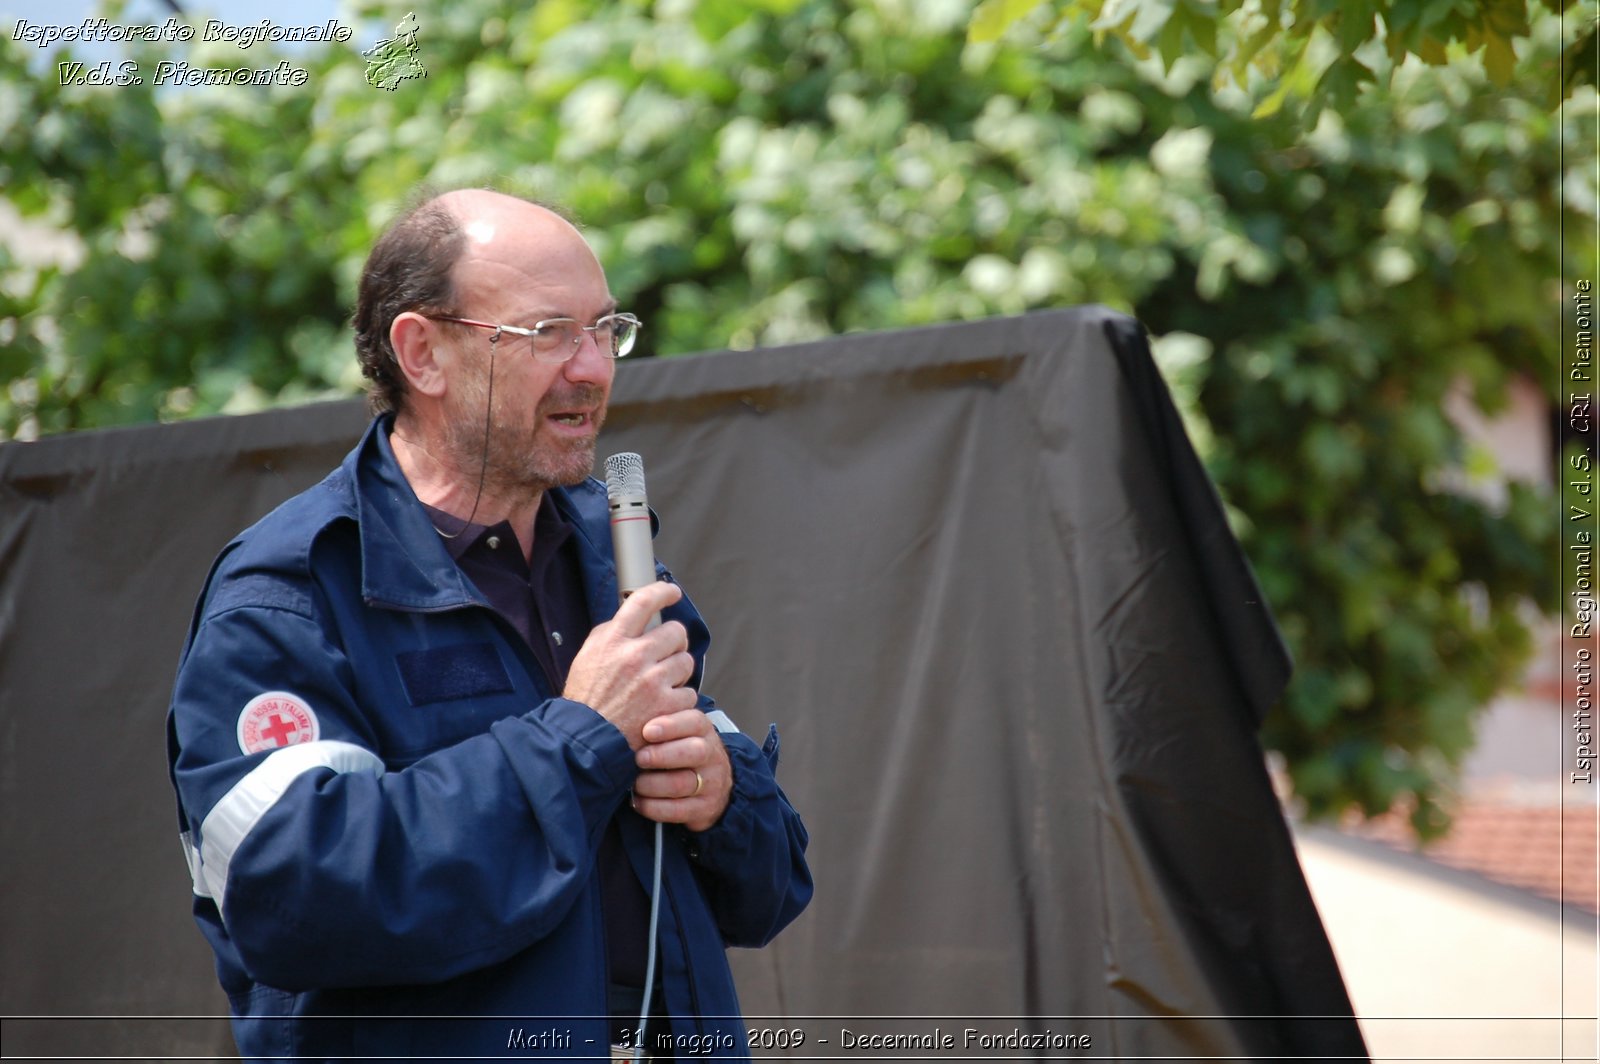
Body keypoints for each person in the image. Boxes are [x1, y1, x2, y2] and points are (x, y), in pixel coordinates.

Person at [165, 189, 813, 1062]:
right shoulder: (291, 591)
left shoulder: (614, 563)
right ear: (422, 352)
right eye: (548, 334)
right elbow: (298, 898)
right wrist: (580, 740)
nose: (591, 369)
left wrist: (724, 801)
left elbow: (771, 893)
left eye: (604, 329)